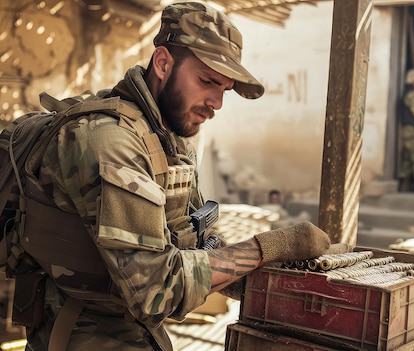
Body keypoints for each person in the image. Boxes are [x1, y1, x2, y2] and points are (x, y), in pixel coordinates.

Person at [14, 2, 333, 350]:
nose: (217, 103)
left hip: (134, 332)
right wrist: (267, 248)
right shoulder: (110, 142)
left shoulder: (168, 136)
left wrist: (252, 277)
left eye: (224, 89)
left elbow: (192, 239)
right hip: (82, 335)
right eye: (207, 80)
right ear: (163, 63)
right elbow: (156, 291)